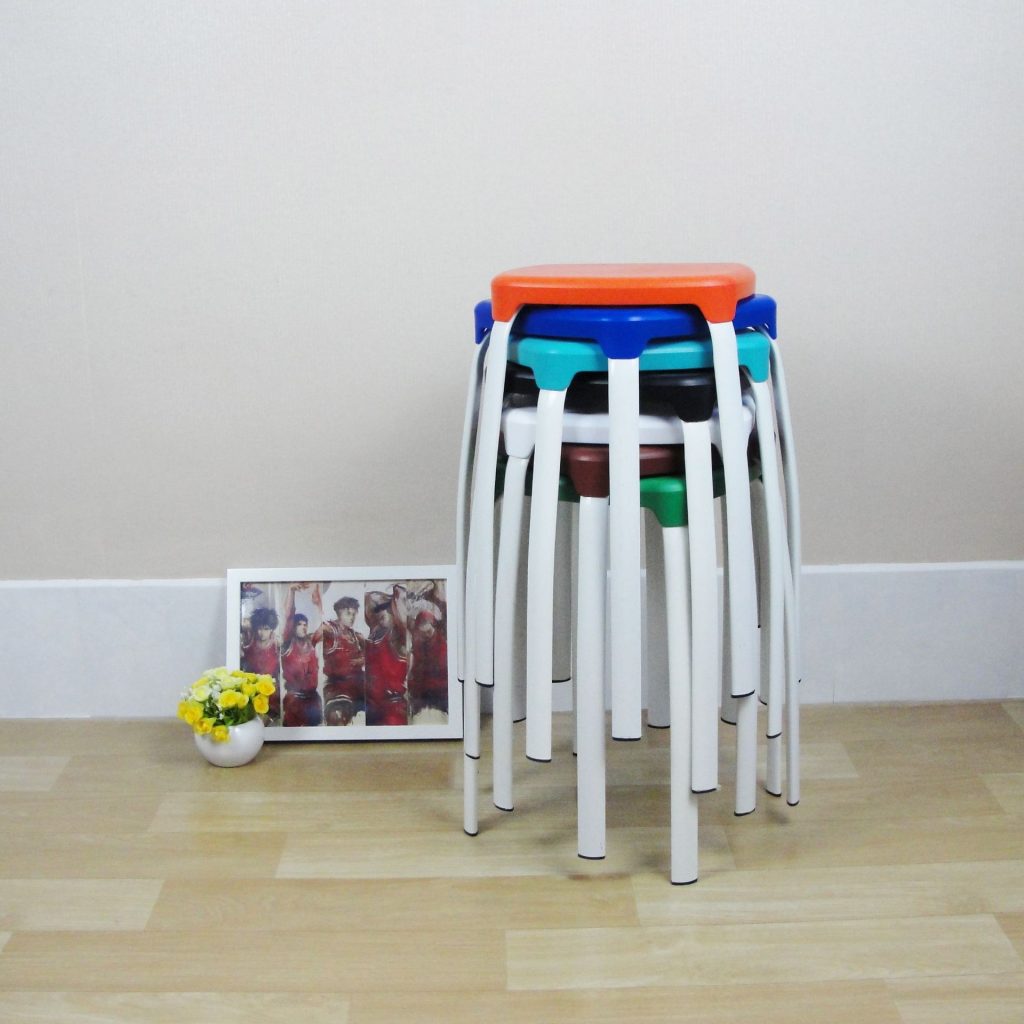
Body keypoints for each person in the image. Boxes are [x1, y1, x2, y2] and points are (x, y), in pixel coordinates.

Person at [314, 593, 366, 726]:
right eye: (348, 613)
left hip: (358, 686)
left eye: (354, 614)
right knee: (337, 717)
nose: (352, 617)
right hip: (337, 688)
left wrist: (362, 659)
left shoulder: (356, 636)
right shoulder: (330, 629)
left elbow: (373, 653)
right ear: (339, 613)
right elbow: (313, 639)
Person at [363, 584, 411, 726]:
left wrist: (395, 595)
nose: (382, 613)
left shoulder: (400, 636)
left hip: (393, 708)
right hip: (372, 705)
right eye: (379, 610)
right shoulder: (374, 636)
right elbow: (369, 599)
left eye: (388, 609)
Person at [280, 585, 322, 727]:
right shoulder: (288, 643)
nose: (303, 627)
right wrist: (291, 591)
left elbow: (324, 627)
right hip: (294, 701)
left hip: (313, 701)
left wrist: (319, 602)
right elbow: (289, 615)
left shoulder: (311, 641)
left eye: (305, 624)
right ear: (293, 627)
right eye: (299, 624)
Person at [407, 581, 449, 721]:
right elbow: (415, 668)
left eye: (427, 624)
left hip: (439, 691)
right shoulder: (418, 644)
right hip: (421, 691)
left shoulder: (441, 644)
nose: (425, 631)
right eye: (422, 626)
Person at [240, 605, 281, 720]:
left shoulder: (277, 644)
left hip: (271, 691)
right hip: (251, 689)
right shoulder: (249, 641)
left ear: (272, 629)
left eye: (266, 629)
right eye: (259, 628)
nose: (261, 633)